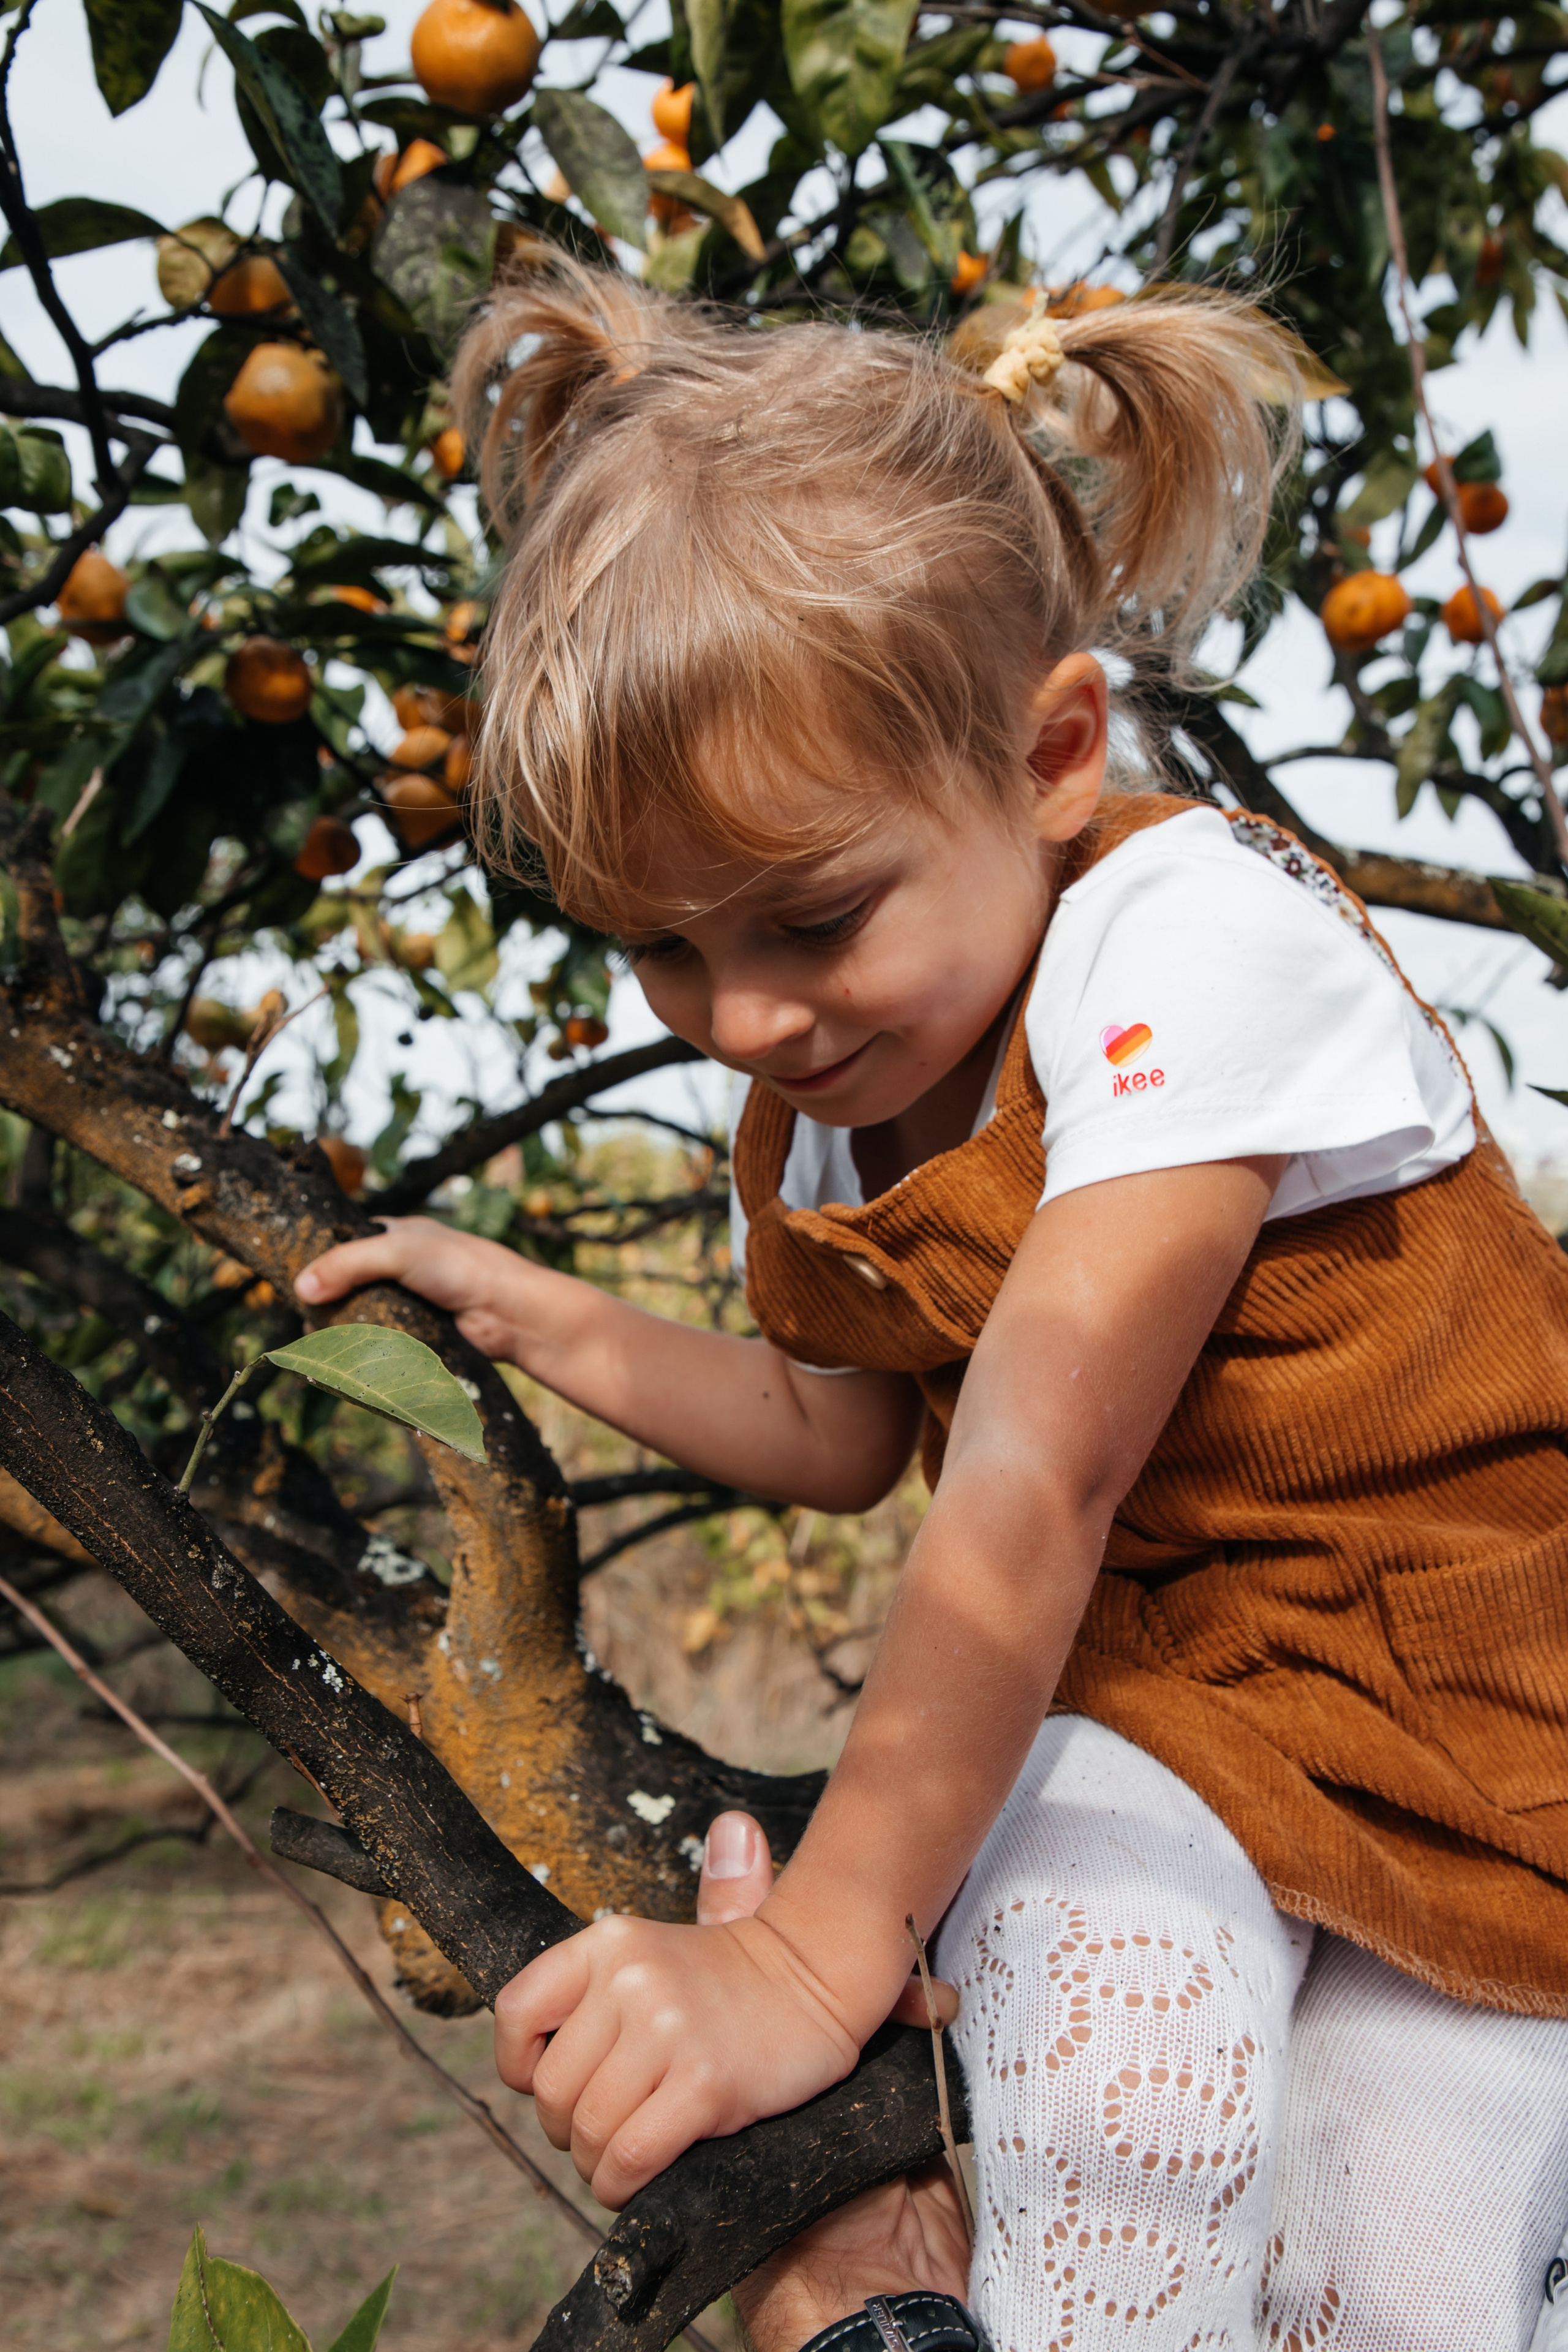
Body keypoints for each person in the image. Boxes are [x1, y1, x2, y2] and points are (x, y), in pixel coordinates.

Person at [295, 255, 1568, 2351]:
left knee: (1413, 2262)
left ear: (1055, 752)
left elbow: (1032, 1478)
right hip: (1175, 1697)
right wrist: (523, 1308)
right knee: (1110, 2092)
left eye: (807, 916)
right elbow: (838, 1434)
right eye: (661, 950)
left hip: (1478, 1697)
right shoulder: (821, 1113)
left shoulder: (1185, 936)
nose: (746, 1016)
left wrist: (809, 1962)